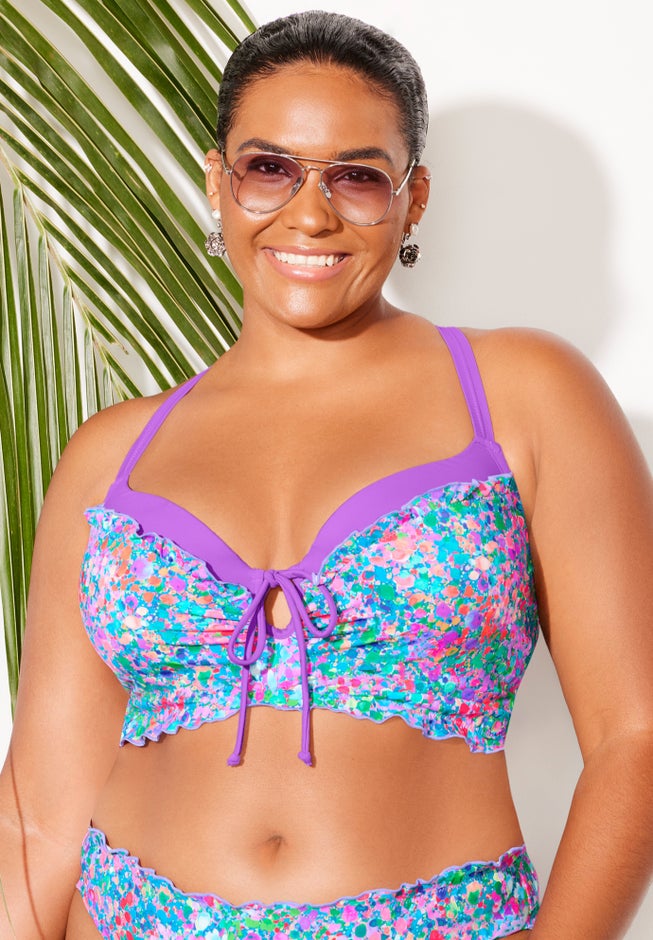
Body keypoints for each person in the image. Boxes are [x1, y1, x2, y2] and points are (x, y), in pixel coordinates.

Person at [1, 10, 651, 939]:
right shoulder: (111, 454)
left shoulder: (524, 395)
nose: (309, 214)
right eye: (269, 168)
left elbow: (635, 738)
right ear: (218, 183)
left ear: (413, 197)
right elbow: (36, 816)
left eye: (357, 176)